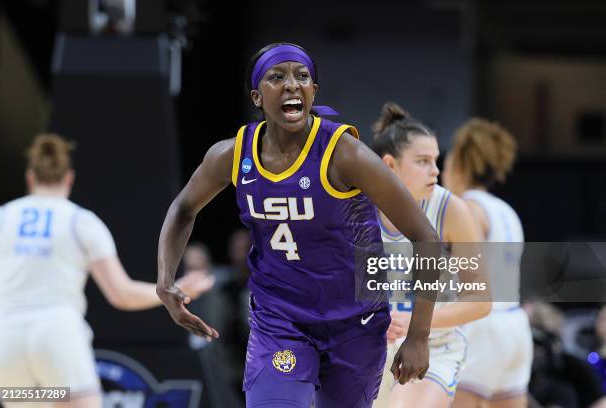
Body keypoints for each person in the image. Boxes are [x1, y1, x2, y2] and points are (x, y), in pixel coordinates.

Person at [156, 42, 441, 407]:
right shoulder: (231, 155)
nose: (292, 84)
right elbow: (182, 208)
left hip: (355, 321)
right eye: (278, 77)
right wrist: (165, 281)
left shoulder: (344, 154)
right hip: (281, 319)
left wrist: (419, 336)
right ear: (257, 97)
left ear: (313, 92)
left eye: (301, 77)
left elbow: (426, 238)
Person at [0, 134, 212, 408]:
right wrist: (175, 289)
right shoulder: (80, 221)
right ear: (69, 178)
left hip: (3, 338)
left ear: (30, 178)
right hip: (56, 333)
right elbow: (122, 294)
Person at [370, 103, 490, 408]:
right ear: (389, 165)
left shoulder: (451, 209)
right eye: (423, 161)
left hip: (435, 346)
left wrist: (416, 322)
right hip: (369, 347)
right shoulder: (358, 206)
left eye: (436, 160)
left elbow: (481, 300)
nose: (436, 170)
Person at [443, 118, 533, 408]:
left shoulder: (466, 208)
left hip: (482, 325)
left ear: (459, 163)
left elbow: (458, 276)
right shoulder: (506, 210)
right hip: (516, 326)